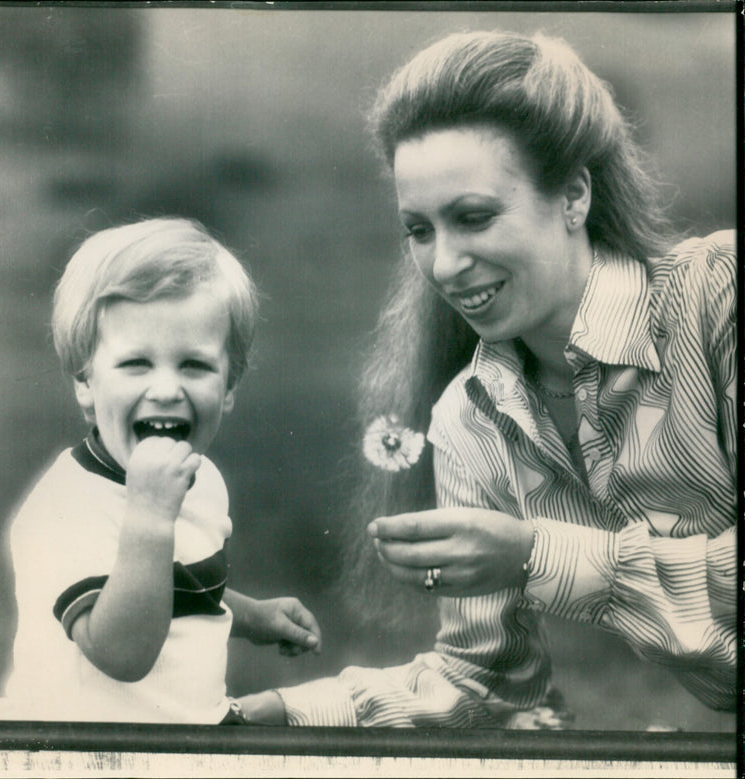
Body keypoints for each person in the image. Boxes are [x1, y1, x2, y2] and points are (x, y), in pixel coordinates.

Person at [236, 30, 736, 728]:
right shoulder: (469, 417)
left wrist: (536, 555)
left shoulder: (719, 298)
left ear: (574, 197)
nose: (443, 265)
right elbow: (483, 678)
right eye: (420, 229)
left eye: (474, 217)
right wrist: (282, 712)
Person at [0, 217, 322, 723]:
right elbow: (122, 654)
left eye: (194, 365)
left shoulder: (201, 480)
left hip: (187, 732)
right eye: (136, 364)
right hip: (89, 751)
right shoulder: (65, 509)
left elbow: (176, 583)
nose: (167, 389)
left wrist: (252, 615)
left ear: (229, 387)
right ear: (86, 383)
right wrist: (149, 517)